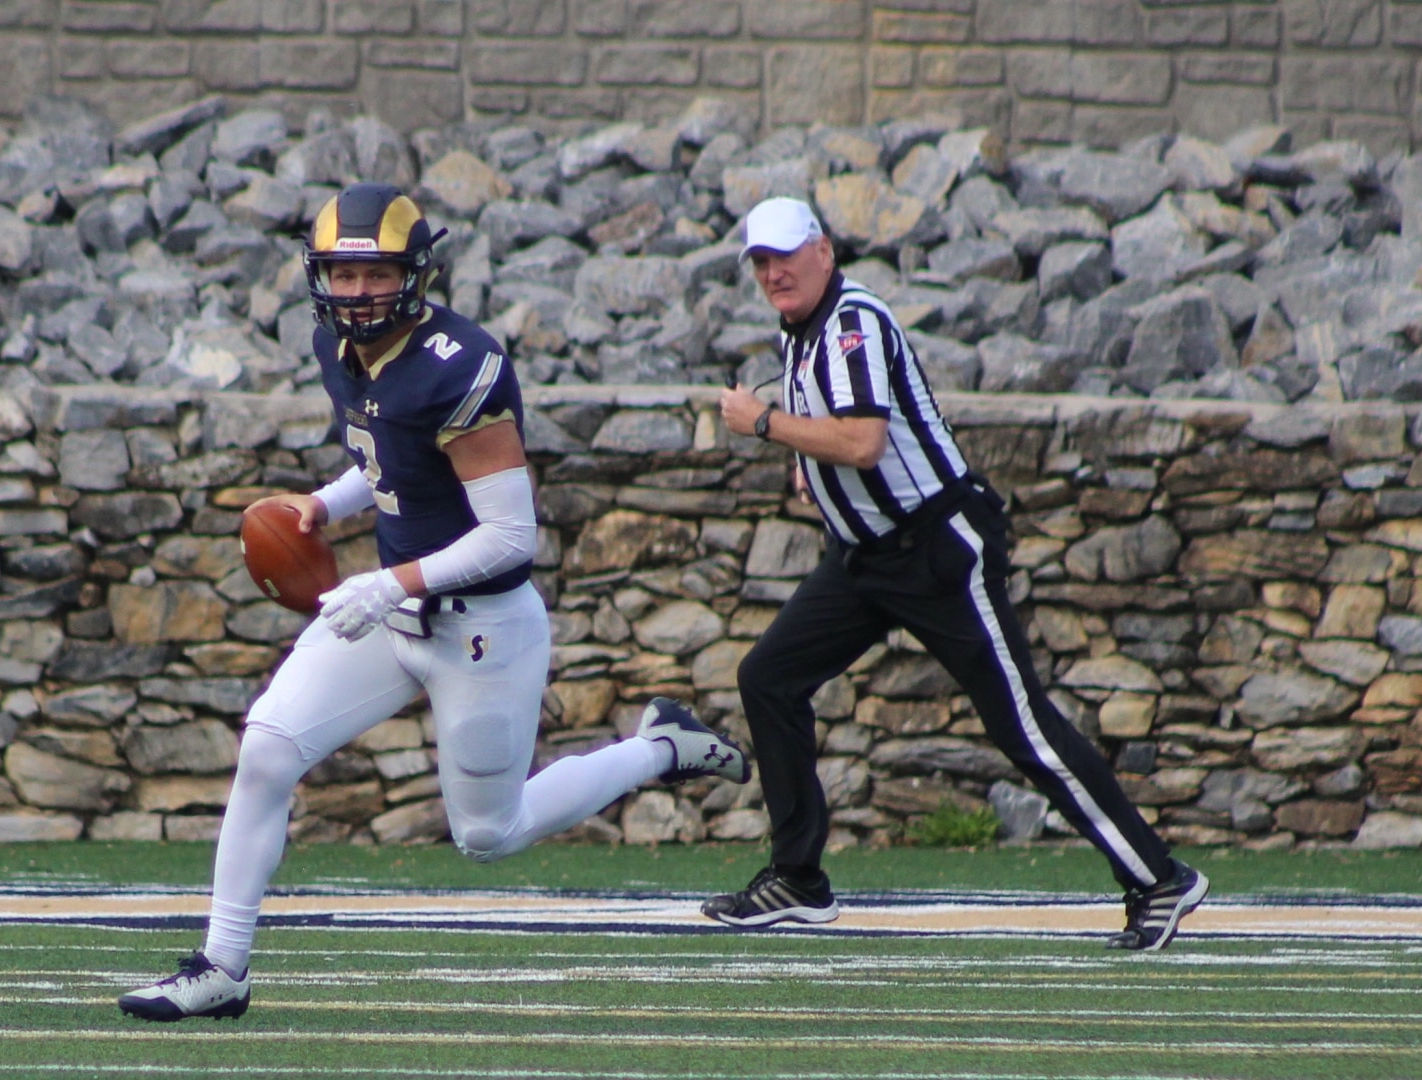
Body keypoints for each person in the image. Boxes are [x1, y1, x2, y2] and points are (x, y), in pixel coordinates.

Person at [119, 183, 750, 1021]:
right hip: (388, 611)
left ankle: (660, 749)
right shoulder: (337, 346)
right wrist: (327, 505)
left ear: (415, 271)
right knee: (267, 749)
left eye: (374, 274)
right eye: (341, 277)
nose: (355, 294)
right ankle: (222, 967)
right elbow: (390, 458)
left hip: (482, 626)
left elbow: (509, 536)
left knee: (489, 834)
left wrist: (386, 581)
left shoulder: (461, 368)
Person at [708, 196, 1207, 950]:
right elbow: (848, 443)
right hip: (865, 557)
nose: (774, 273)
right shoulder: (801, 331)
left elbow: (865, 441)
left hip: (936, 549)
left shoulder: (852, 321)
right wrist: (812, 468)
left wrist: (768, 425)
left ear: (825, 251)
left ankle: (1159, 879)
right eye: (761, 262)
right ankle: (798, 880)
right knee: (768, 677)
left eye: (785, 256)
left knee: (1024, 728)